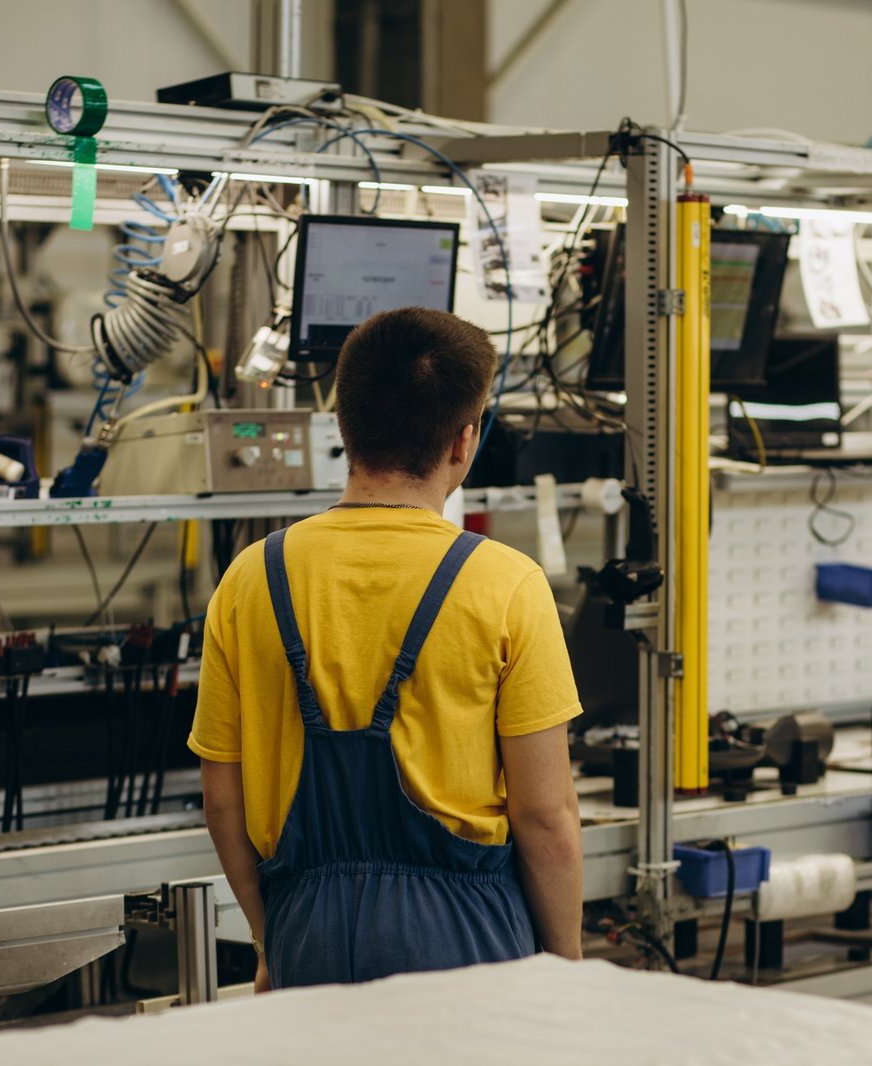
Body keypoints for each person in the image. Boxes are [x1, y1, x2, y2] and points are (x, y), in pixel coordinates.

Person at [190, 307, 585, 990]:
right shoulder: (506, 584)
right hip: (465, 935)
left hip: (305, 931)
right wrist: (567, 969)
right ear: (463, 442)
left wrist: (269, 937)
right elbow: (545, 816)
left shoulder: (251, 577)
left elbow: (222, 800)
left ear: (344, 426)